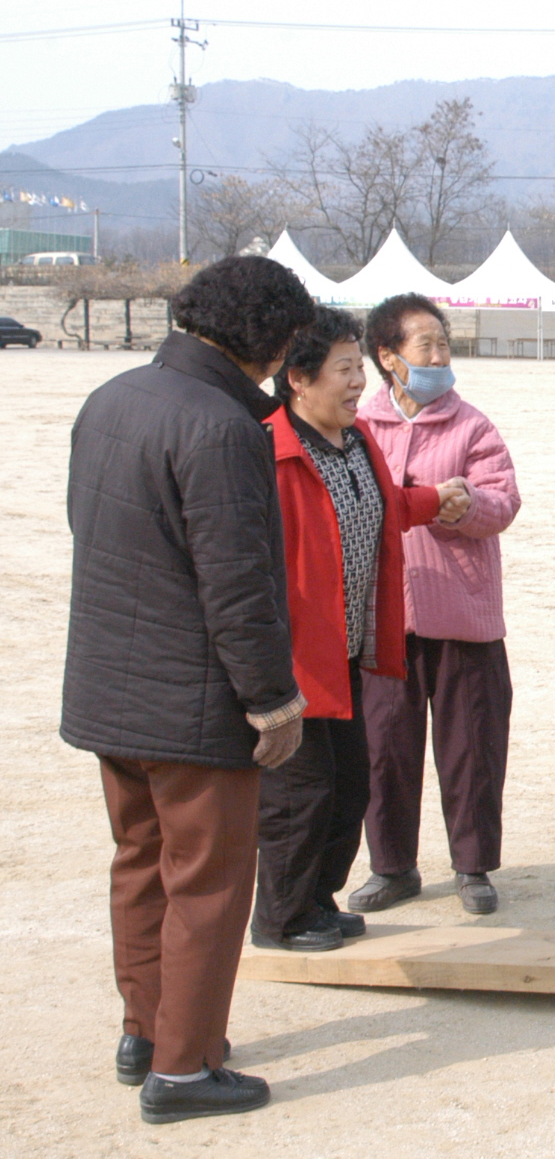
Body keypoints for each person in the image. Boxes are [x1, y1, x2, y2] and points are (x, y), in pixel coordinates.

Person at [64, 255, 314, 1123]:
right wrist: (272, 698)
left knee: (140, 864)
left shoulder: (113, 398)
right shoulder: (222, 427)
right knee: (207, 881)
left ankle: (147, 1031)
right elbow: (238, 583)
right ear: (275, 340)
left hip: (110, 689)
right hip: (193, 698)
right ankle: (183, 1068)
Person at [254, 307, 451, 952]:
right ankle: (280, 917)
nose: (357, 383)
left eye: (358, 368)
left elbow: (387, 504)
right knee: (298, 796)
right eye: (343, 370)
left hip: (346, 651)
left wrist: (435, 500)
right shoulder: (269, 450)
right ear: (298, 379)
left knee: (348, 787)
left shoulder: (358, 439)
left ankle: (317, 899)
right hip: (292, 661)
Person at [349, 294, 522, 917]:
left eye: (444, 342)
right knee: (384, 749)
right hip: (383, 621)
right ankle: (392, 867)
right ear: (388, 358)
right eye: (426, 345)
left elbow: (503, 503)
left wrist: (463, 505)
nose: (440, 355)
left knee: (472, 748)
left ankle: (473, 867)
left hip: (463, 617)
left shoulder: (471, 426)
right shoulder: (358, 426)